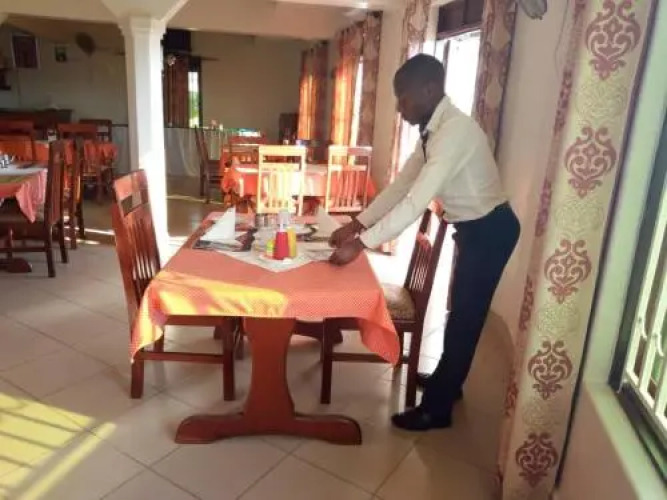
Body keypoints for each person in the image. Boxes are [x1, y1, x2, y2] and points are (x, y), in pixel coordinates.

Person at [328, 53, 520, 431]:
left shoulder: (454, 132)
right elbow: (402, 185)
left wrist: (362, 244)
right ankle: (449, 382)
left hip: (490, 231)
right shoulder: (434, 130)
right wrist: (357, 223)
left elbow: (416, 201)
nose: (399, 107)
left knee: (465, 318)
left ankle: (436, 410)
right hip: (474, 229)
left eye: (404, 97)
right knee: (460, 314)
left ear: (429, 90)